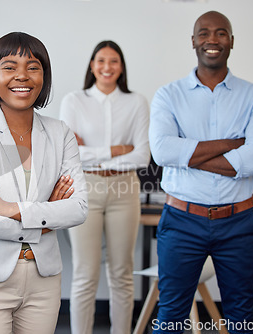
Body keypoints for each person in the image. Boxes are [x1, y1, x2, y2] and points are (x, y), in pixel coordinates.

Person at [0, 32, 88, 333]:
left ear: (44, 76)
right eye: (10, 67)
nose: (22, 76)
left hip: (44, 280)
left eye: (33, 67)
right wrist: (46, 214)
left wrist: (5, 206)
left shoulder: (60, 132)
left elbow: (78, 209)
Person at [149, 11, 253, 333]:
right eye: (204, 33)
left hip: (239, 222)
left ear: (231, 41)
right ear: (194, 41)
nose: (212, 40)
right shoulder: (168, 95)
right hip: (181, 221)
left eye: (221, 33)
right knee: (171, 317)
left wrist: (187, 151)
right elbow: (163, 152)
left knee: (242, 317)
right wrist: (233, 145)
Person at [60, 41, 150, 334]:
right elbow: (68, 152)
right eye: (101, 60)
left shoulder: (136, 102)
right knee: (85, 273)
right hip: (85, 187)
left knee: (122, 273)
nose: (107, 67)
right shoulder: (74, 101)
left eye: (113, 61)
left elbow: (142, 155)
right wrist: (117, 149)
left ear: (121, 67)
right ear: (92, 65)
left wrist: (94, 151)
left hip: (125, 189)